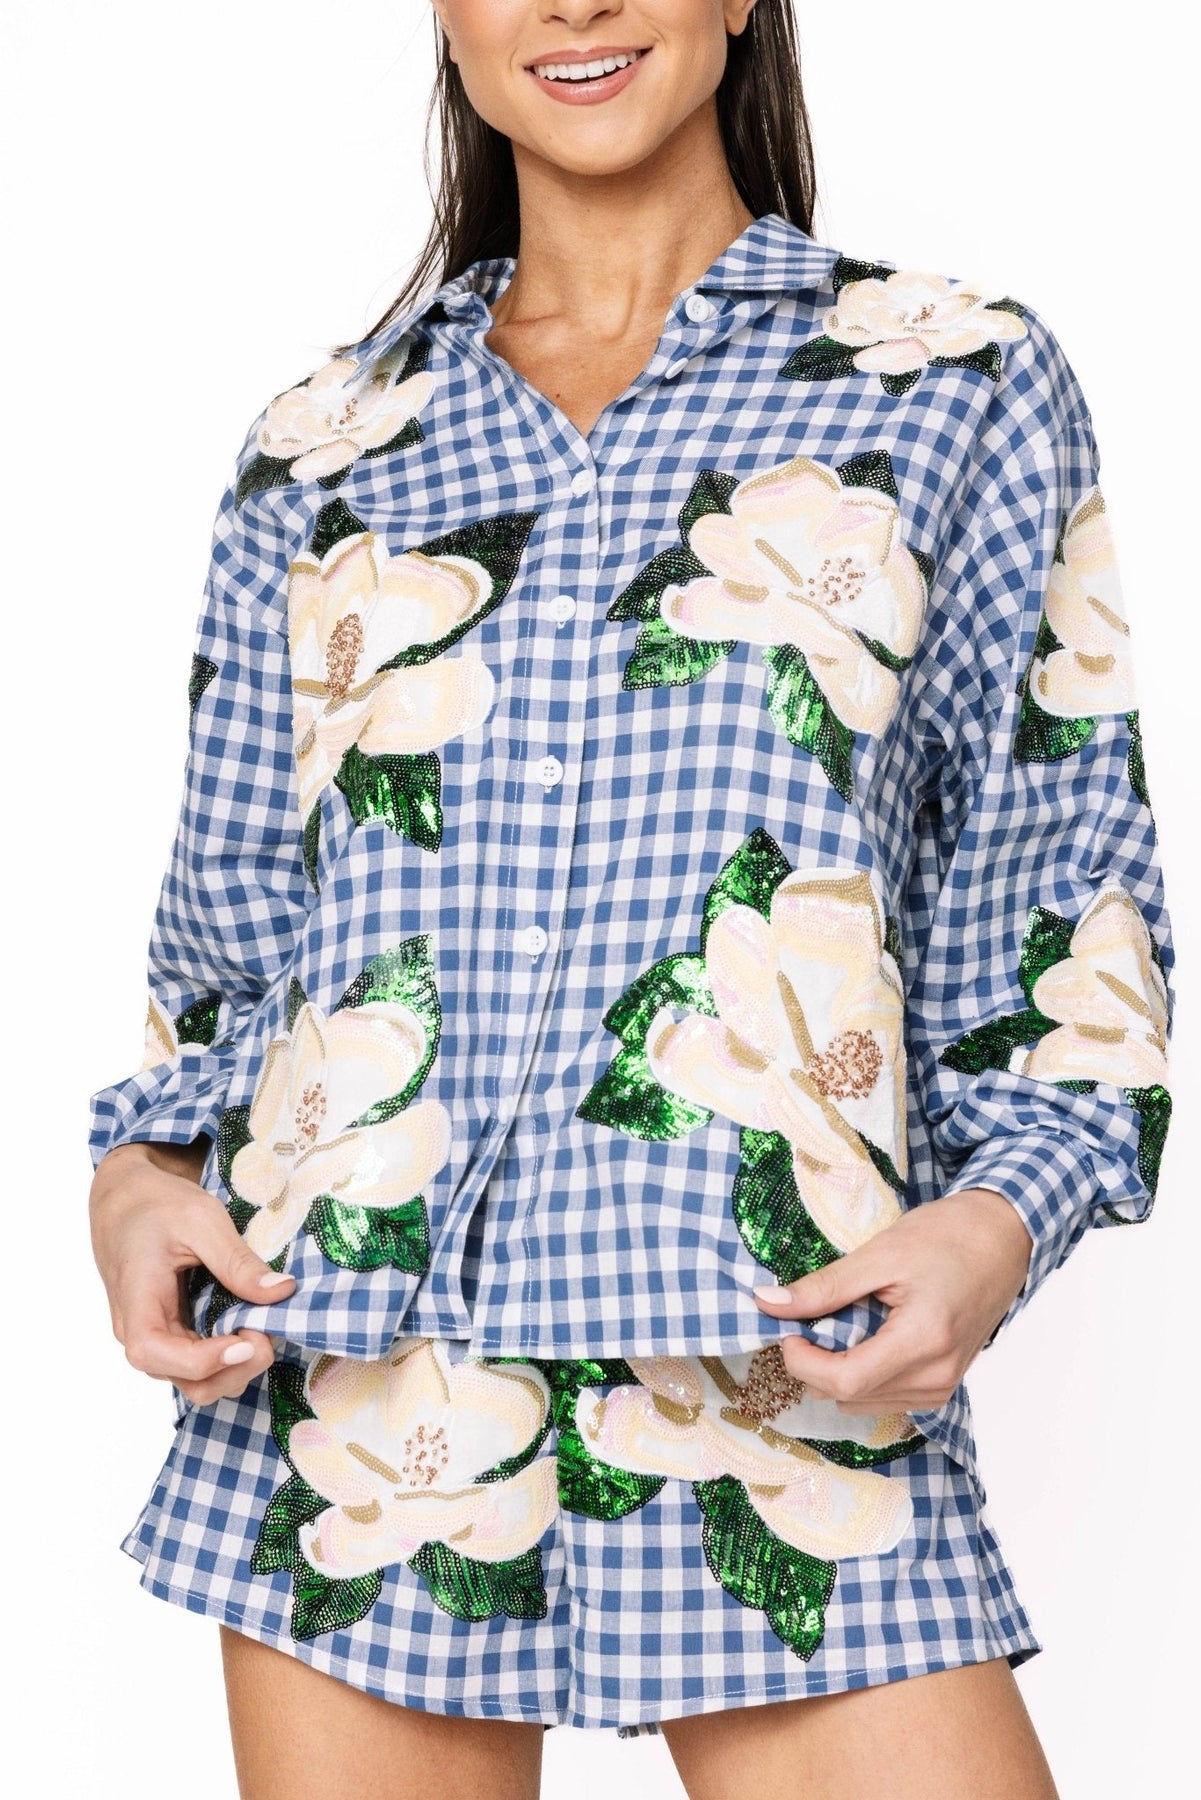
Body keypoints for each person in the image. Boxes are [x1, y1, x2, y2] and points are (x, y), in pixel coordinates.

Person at [86, 3, 1175, 1797]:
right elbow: (233, 928)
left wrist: (999, 1220)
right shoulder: (326, 441)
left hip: (781, 1353)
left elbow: (1057, 883)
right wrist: (139, 1175)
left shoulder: (949, 378)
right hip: (359, 1381)